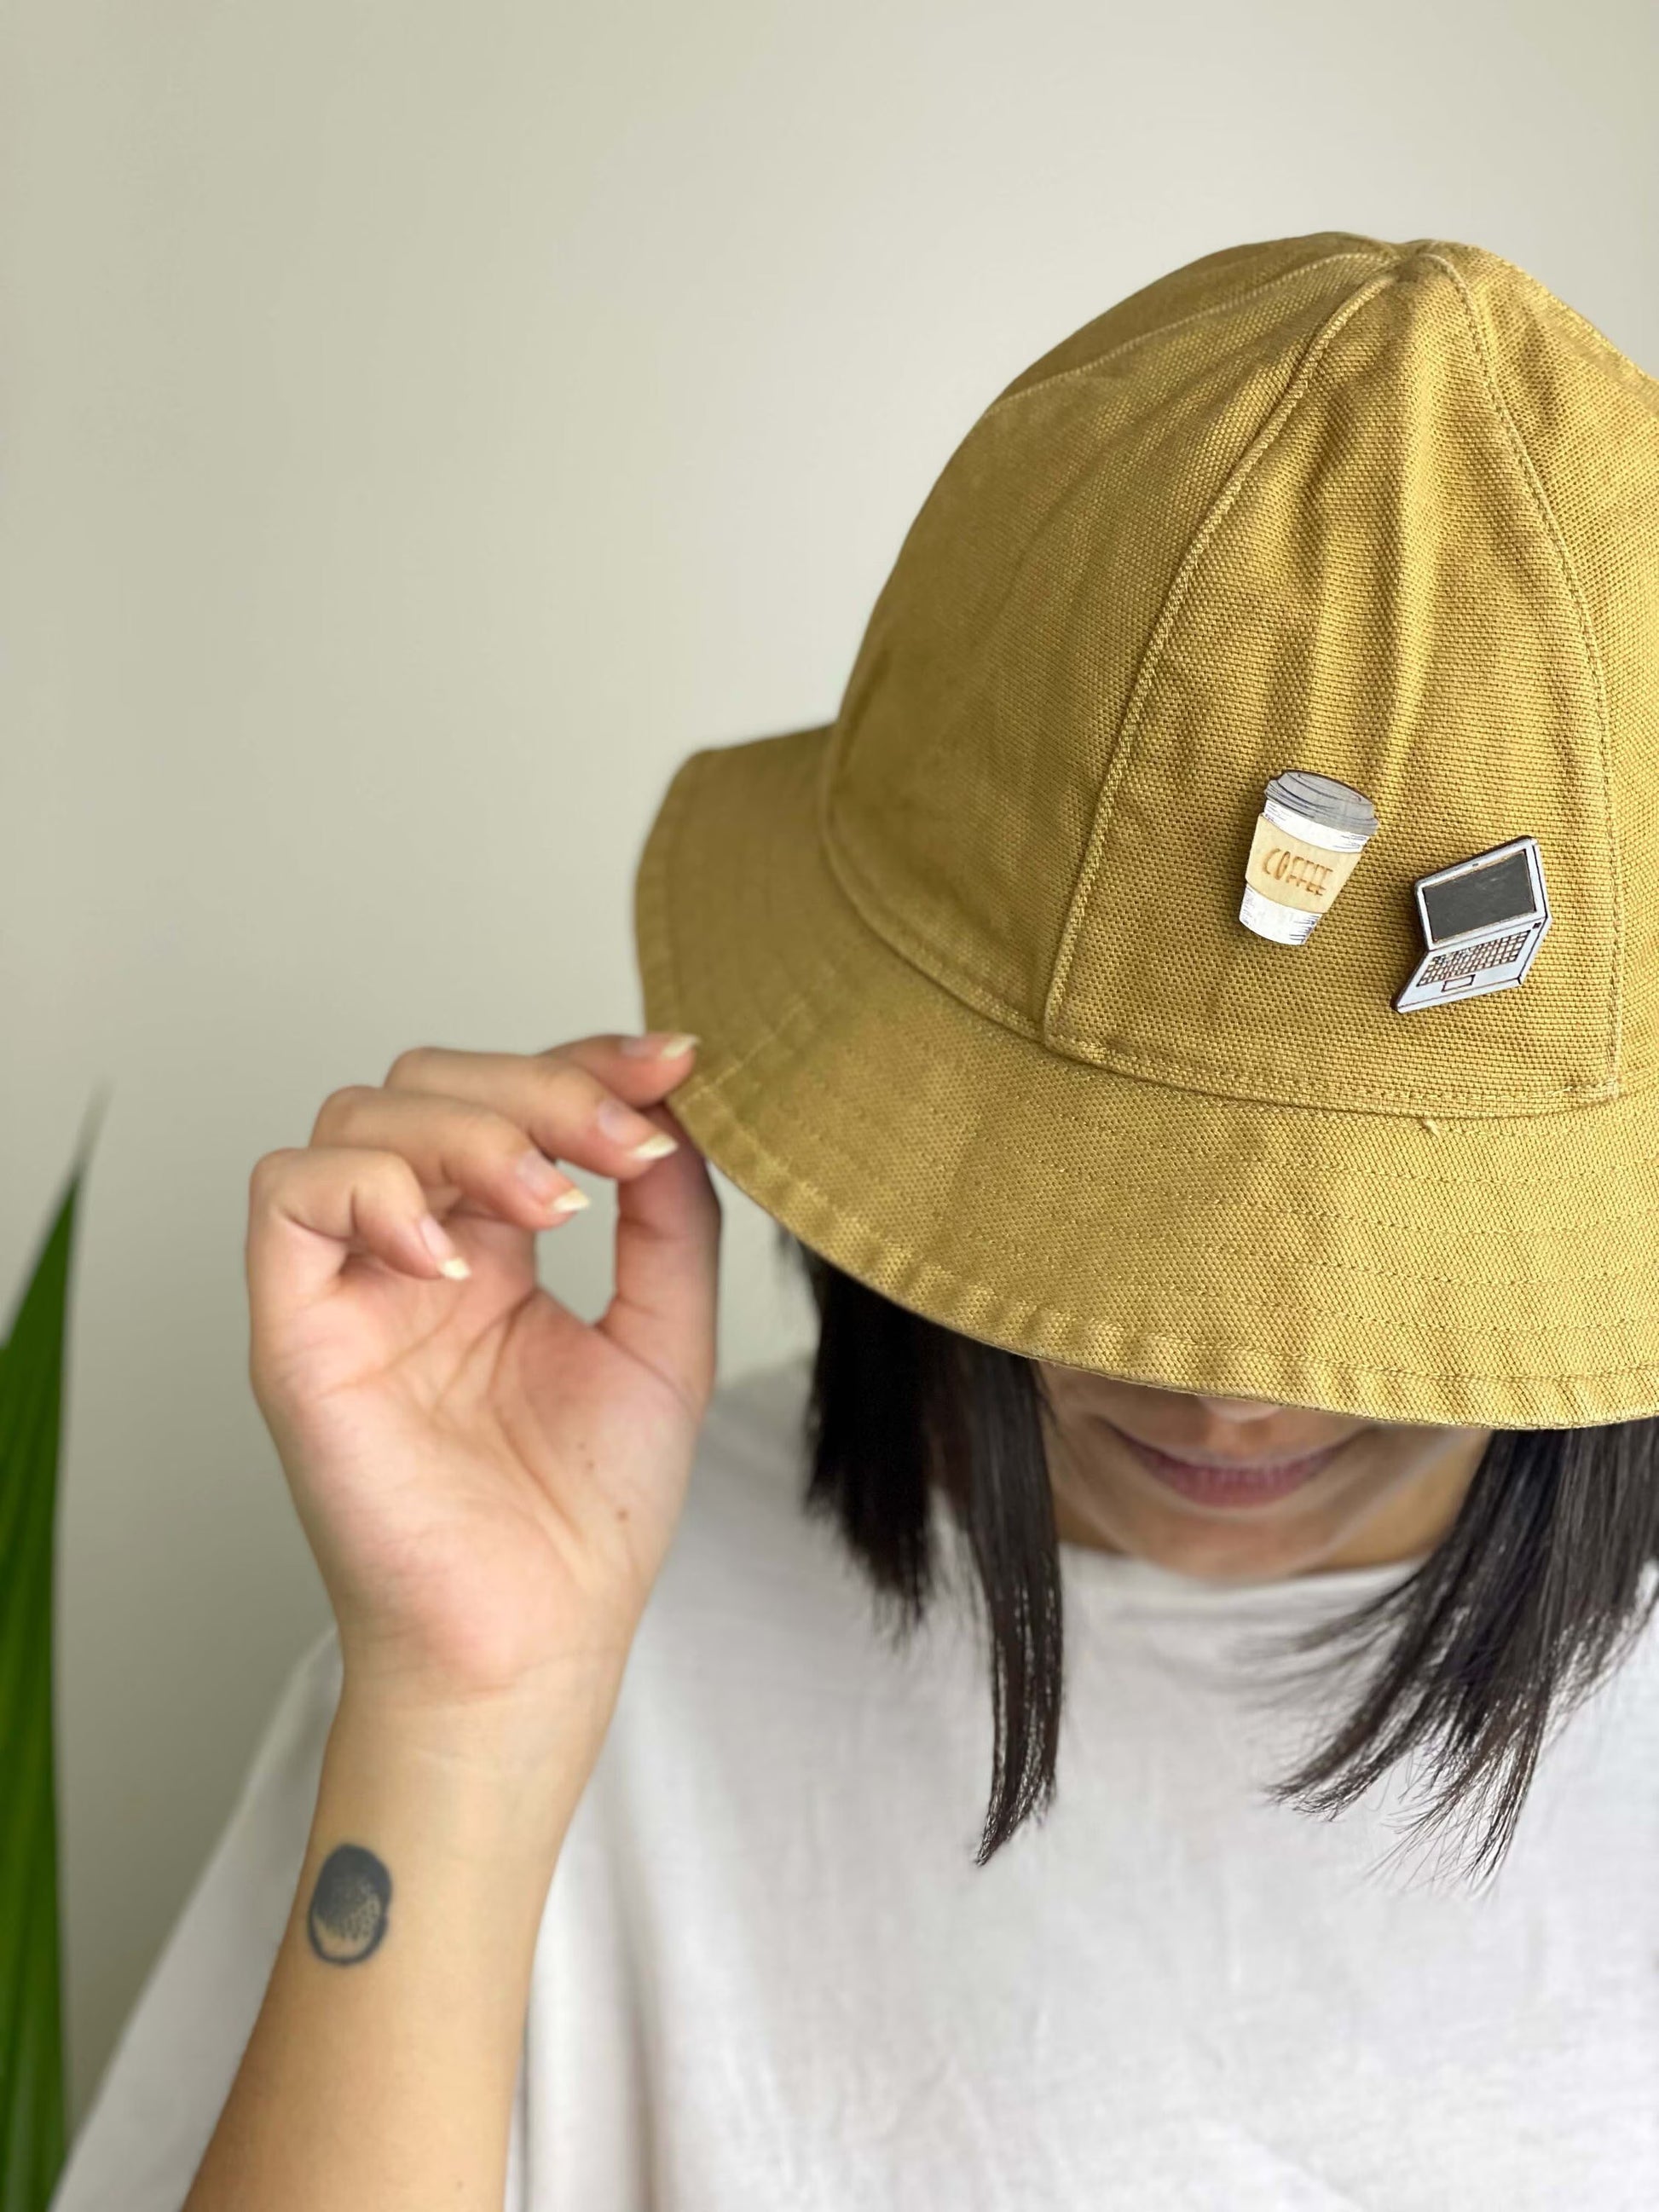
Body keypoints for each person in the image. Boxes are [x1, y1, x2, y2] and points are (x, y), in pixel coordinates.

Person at [50, 228, 1659, 2212]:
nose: (1232, 1387)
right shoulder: (562, 1636)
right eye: (1104, 1229)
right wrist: (468, 1714)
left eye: (1387, 1267)